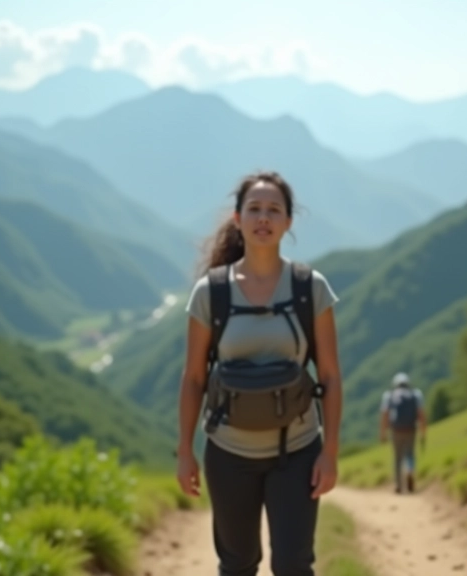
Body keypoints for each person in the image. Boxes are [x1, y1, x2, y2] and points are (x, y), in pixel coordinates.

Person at [175, 170, 344, 576]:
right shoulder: (211, 293)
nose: (263, 218)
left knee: (293, 565)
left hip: (299, 450)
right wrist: (185, 450)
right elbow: (194, 378)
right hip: (228, 453)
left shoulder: (309, 287)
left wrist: (330, 452)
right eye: (254, 209)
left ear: (288, 222)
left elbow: (331, 376)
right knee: (237, 565)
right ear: (238, 219)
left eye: (274, 210)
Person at [379, 372, 426, 494]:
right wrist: (423, 432)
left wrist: (383, 433)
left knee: (397, 458)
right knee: (409, 454)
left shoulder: (389, 396)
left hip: (396, 430)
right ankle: (410, 470)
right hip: (411, 428)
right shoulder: (415, 395)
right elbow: (421, 413)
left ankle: (398, 485)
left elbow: (385, 414)